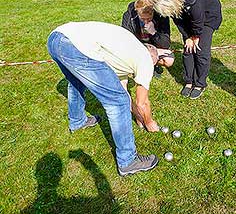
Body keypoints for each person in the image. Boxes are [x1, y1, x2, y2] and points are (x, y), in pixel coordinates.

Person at [47, 21, 159, 176]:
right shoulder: (146, 60)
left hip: (56, 38)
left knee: (76, 81)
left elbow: (123, 90)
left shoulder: (127, 53)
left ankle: (78, 121)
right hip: (74, 46)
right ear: (152, 60)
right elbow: (141, 101)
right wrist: (149, 122)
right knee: (117, 102)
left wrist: (136, 114)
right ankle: (128, 161)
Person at [152, 0, 222, 99]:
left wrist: (195, 36)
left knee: (201, 50)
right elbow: (178, 19)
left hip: (207, 14)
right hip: (188, 12)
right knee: (188, 49)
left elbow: (198, 18)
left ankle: (200, 84)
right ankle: (189, 81)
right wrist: (187, 36)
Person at [121, 0, 175, 74]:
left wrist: (153, 32)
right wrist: (143, 50)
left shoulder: (161, 16)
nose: (146, 21)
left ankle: (153, 65)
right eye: (142, 19)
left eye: (149, 18)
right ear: (137, 12)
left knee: (169, 61)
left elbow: (165, 44)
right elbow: (126, 39)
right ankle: (140, 66)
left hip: (155, 46)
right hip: (138, 46)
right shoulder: (129, 16)